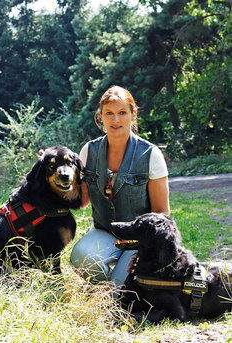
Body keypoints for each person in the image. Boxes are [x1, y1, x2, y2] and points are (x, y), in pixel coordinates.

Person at [70, 85, 170, 290]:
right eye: (109, 113)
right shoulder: (89, 151)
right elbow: (80, 201)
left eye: (122, 113)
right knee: (81, 256)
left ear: (133, 114)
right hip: (105, 232)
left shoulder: (150, 154)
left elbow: (162, 214)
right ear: (101, 116)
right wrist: (52, 170)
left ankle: (111, 290)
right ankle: (107, 288)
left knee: (120, 293)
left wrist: (151, 250)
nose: (116, 120)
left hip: (141, 241)